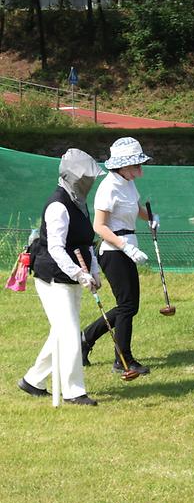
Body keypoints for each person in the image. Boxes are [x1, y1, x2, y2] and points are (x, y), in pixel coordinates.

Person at [19, 149, 105, 406]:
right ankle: (73, 391)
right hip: (52, 277)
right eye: (85, 178)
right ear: (72, 178)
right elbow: (56, 248)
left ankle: (32, 380)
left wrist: (95, 271)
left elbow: (87, 243)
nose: (90, 182)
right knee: (69, 334)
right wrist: (79, 273)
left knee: (63, 330)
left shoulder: (79, 202)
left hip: (73, 276)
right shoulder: (58, 205)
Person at [80, 137, 156, 377]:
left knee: (129, 306)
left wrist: (151, 218)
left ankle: (85, 339)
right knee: (127, 306)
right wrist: (127, 247)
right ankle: (123, 359)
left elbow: (136, 209)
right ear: (122, 166)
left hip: (127, 249)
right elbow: (99, 226)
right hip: (114, 252)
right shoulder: (108, 187)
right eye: (136, 166)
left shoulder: (128, 183)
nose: (140, 170)